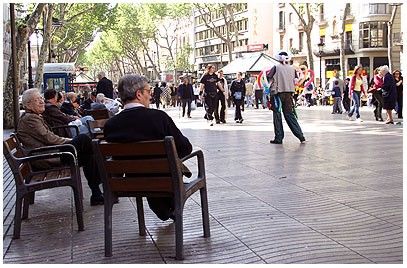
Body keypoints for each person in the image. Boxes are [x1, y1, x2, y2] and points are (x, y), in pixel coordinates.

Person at [104, 74, 193, 221]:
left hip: (130, 183)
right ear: (139, 94)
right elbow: (184, 148)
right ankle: (165, 207)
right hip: (164, 182)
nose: (151, 95)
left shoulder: (110, 125)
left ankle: (163, 208)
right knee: (165, 167)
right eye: (148, 91)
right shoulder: (159, 118)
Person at [17, 88, 103, 206]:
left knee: (88, 152)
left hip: (48, 154)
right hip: (47, 158)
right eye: (37, 100)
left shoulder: (33, 116)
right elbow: (50, 139)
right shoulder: (30, 119)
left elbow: (49, 138)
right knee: (84, 140)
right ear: (28, 104)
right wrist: (72, 140)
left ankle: (97, 193)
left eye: (41, 98)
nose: (42, 101)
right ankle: (100, 186)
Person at [266, 51, 306, 144]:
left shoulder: (276, 67)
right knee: (290, 115)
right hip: (289, 94)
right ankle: (300, 135)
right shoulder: (292, 69)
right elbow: (297, 80)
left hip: (277, 94)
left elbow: (269, 78)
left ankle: (279, 138)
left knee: (277, 115)